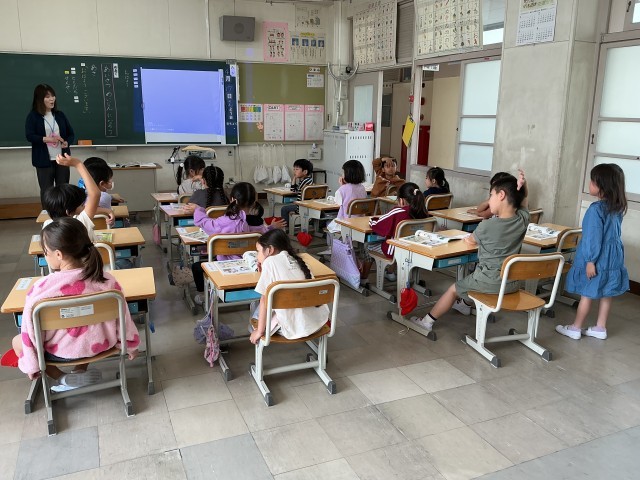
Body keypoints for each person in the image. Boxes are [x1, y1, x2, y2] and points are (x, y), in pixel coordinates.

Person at [11, 217, 139, 391]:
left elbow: (30, 333)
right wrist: (130, 345)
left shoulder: (40, 290)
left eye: (46, 251)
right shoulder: (107, 280)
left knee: (17, 341)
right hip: (100, 344)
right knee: (84, 328)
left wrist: (32, 366)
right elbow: (124, 318)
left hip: (60, 352)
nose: (45, 255)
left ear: (59, 255)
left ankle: (61, 378)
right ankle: (79, 371)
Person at [412, 171, 529, 332]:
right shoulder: (522, 220)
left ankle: (426, 322)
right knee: (472, 280)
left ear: (501, 195)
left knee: (454, 289)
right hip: (512, 283)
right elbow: (524, 202)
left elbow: (470, 241)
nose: (490, 200)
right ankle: (465, 304)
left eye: (491, 195)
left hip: (490, 281)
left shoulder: (487, 225)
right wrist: (523, 186)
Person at [556, 164, 629, 340]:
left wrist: (590, 261)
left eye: (592, 181)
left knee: (587, 293)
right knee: (607, 292)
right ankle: (600, 328)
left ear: (602, 185)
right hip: (613, 257)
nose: (589, 183)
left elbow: (592, 238)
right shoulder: (617, 207)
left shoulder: (596, 209)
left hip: (597, 258)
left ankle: (575, 327)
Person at [190, 182, 284, 305]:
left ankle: (204, 296)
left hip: (226, 265)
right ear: (254, 202)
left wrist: (198, 209)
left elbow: (205, 223)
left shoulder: (226, 221)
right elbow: (265, 234)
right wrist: (271, 227)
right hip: (251, 264)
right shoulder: (258, 222)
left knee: (197, 267)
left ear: (232, 199)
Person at [249, 229, 329, 344]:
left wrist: (259, 331)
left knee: (257, 307)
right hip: (317, 322)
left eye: (258, 251)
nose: (257, 255)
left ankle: (256, 333)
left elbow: (264, 300)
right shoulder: (297, 260)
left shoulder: (269, 262)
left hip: (293, 329)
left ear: (270, 250)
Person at [43, 154, 115, 241]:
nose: (84, 207)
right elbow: (95, 194)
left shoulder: (47, 226)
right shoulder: (80, 223)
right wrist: (78, 164)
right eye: (81, 205)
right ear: (68, 212)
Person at [25, 84, 76, 207]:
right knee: (47, 191)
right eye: (47, 97)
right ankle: (47, 215)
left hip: (62, 159)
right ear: (39, 99)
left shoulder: (59, 115)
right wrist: (47, 139)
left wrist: (66, 142)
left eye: (53, 96)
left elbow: (71, 134)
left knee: (63, 189)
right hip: (43, 160)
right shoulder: (33, 116)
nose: (52, 99)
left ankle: (63, 214)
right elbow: (30, 136)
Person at [369, 182, 428, 281]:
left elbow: (378, 224)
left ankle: (363, 279)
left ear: (401, 200)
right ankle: (390, 272)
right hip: (414, 249)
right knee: (398, 242)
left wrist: (372, 220)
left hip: (396, 251)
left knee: (368, 246)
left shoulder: (398, 212)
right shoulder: (424, 213)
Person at [326, 160, 368, 233]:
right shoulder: (362, 188)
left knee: (328, 223)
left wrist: (341, 186)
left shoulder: (342, 189)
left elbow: (337, 202)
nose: (342, 175)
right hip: (360, 221)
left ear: (348, 174)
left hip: (345, 222)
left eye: (343, 172)